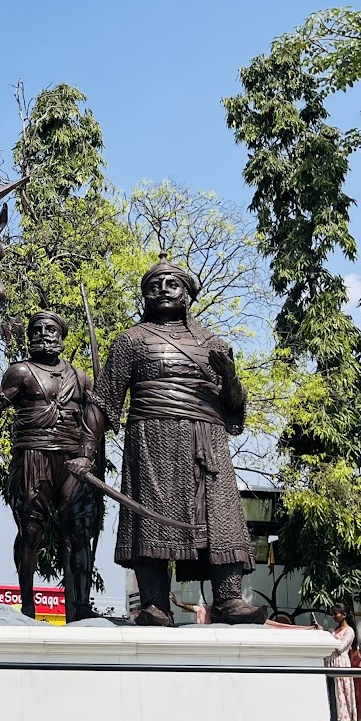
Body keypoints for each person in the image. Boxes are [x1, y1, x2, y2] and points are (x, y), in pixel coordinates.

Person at [79, 256, 264, 627]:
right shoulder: (132, 340)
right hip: (152, 439)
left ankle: (228, 599)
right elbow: (104, 402)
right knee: (153, 518)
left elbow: (235, 414)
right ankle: (154, 603)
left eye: (171, 284)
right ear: (145, 296)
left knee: (219, 516)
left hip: (206, 440)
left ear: (188, 293)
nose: (162, 291)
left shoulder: (214, 343)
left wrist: (231, 380)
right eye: (153, 286)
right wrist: (85, 453)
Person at [0, 311, 101, 622]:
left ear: (61, 336)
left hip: (73, 461)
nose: (44, 334)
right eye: (37, 329)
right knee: (30, 531)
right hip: (32, 457)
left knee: (79, 532)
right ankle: (28, 605)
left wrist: (87, 453)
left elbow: (95, 418)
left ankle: (83, 606)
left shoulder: (80, 376)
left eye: (51, 329)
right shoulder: (20, 372)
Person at [327, 605, 357, 721]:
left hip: (340, 662)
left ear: (344, 615)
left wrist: (329, 638)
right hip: (331, 661)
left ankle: (344, 717)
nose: (334, 616)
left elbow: (341, 647)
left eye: (336, 614)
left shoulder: (349, 631)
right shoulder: (335, 630)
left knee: (341, 689)